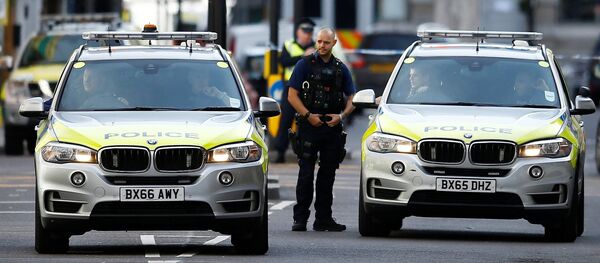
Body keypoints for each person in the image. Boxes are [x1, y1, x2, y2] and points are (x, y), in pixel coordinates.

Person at [287, 27, 355, 232]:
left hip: (332, 127)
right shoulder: (304, 64)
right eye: (319, 42)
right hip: (309, 125)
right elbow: (292, 96)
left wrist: (341, 116)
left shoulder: (341, 68)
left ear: (334, 43)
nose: (321, 46)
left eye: (326, 42)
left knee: (327, 176)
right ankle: (300, 219)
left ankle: (323, 219)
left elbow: (353, 98)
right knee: (306, 174)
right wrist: (309, 116)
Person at [274, 17, 317, 163]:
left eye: (309, 32)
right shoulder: (289, 45)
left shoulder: (316, 46)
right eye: (304, 32)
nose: (307, 35)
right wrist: (303, 56)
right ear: (298, 32)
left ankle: (305, 152)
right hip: (291, 88)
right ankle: (280, 152)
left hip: (309, 89)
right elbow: (283, 62)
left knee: (307, 120)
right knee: (286, 120)